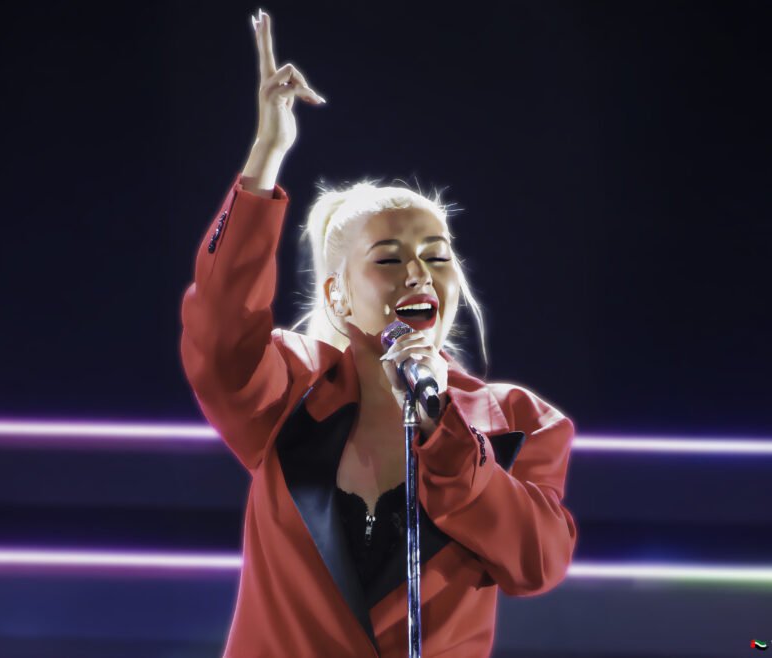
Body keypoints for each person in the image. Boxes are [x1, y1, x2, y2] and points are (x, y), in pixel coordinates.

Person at [179, 9, 578, 657]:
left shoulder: (517, 419)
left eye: (436, 255)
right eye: (388, 258)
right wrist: (267, 154)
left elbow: (536, 563)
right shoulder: (290, 390)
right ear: (338, 294)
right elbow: (219, 330)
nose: (417, 271)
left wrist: (440, 427)